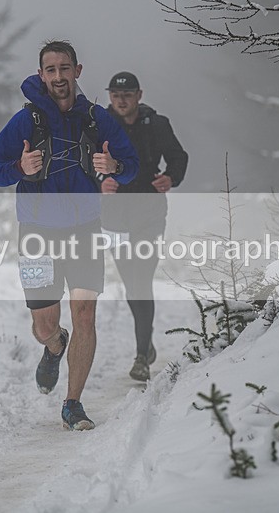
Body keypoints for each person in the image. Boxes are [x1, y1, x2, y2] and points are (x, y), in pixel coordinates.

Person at [0, 41, 138, 430]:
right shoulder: (26, 122)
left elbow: (131, 165)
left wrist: (114, 164)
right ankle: (54, 346)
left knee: (85, 314)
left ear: (78, 71)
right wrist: (18, 166)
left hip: (85, 230)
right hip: (36, 234)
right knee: (44, 325)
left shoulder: (98, 118)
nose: (58, 77)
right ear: (41, 75)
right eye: (50, 70)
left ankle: (73, 404)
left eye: (64, 69)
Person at [100, 71, 189, 382]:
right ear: (110, 97)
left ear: (139, 95)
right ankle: (145, 342)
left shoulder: (157, 124)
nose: (121, 100)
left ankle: (141, 356)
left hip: (149, 211)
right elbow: (84, 163)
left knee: (142, 279)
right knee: (131, 282)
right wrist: (100, 183)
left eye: (127, 95)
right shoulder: (99, 125)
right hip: (114, 214)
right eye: (115, 95)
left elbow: (179, 157)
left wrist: (171, 177)